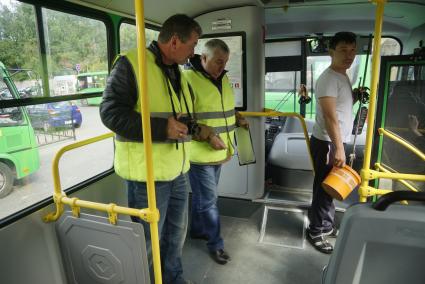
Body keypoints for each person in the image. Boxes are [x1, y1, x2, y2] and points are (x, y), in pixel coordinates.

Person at [100, 14, 207, 284]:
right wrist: (162, 129)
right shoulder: (131, 64)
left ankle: (173, 279)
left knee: (175, 235)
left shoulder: (176, 70)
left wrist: (194, 129)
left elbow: (175, 115)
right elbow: (111, 114)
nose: (194, 52)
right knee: (148, 242)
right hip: (146, 176)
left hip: (178, 171)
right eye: (192, 45)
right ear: (174, 42)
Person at [183, 39, 248, 264]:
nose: (222, 66)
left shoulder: (223, 78)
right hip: (199, 153)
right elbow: (185, 120)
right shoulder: (187, 80)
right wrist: (209, 136)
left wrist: (237, 118)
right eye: (218, 62)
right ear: (203, 58)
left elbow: (223, 108)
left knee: (203, 197)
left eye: (225, 62)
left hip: (220, 150)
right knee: (210, 200)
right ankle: (216, 244)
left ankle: (197, 230)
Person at [306, 32, 357, 254]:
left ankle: (325, 224)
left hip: (335, 141)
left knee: (329, 187)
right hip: (328, 143)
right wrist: (338, 148)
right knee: (325, 189)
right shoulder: (328, 79)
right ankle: (316, 231)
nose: (349, 55)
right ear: (331, 52)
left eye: (353, 50)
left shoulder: (342, 75)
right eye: (343, 50)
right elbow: (330, 118)